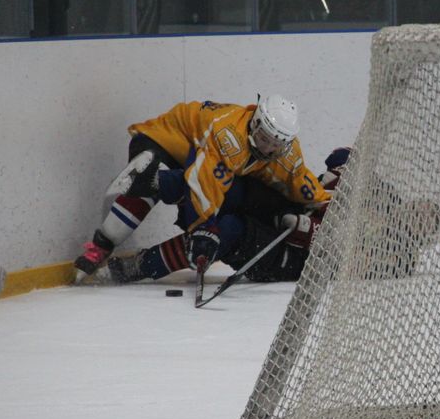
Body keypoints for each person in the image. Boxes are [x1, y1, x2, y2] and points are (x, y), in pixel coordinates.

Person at [73, 95, 330, 282]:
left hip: (191, 158)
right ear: (255, 124)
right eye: (264, 139)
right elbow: (202, 181)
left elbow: (302, 184)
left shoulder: (284, 155)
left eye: (276, 144)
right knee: (158, 186)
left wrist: (324, 204)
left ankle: (152, 186)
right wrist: (203, 228)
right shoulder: (228, 137)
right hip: (161, 142)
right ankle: (104, 241)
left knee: (220, 214)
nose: (268, 149)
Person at [91, 147, 351, 285]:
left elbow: (339, 252)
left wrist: (305, 227)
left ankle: (139, 266)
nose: (331, 175)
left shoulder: (364, 211)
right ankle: (154, 181)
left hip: (289, 260)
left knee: (225, 231)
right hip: (278, 227)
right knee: (220, 183)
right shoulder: (331, 187)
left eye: (337, 172)